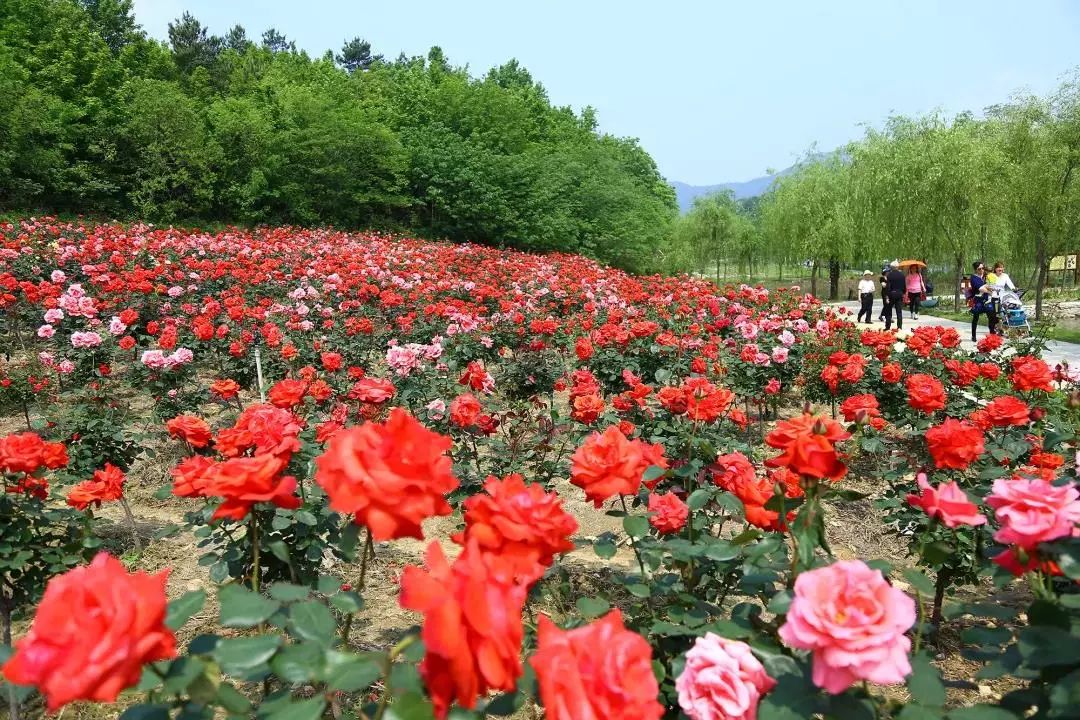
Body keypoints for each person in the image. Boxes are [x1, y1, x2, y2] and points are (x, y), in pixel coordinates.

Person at [969, 261, 999, 342]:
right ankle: (973, 336)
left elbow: (992, 284)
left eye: (983, 268)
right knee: (976, 317)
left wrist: (989, 287)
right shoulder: (973, 278)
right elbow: (980, 288)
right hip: (978, 300)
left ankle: (992, 334)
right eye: (979, 269)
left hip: (987, 300)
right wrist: (989, 290)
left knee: (992, 316)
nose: (982, 270)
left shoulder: (986, 276)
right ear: (976, 269)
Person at [883, 260, 906, 331]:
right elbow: (904, 286)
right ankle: (899, 327)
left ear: (891, 267)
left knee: (888, 311)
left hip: (891, 294)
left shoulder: (889, 275)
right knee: (899, 312)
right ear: (897, 267)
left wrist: (886, 296)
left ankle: (887, 327)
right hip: (899, 294)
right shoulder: (902, 275)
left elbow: (888, 287)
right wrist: (903, 293)